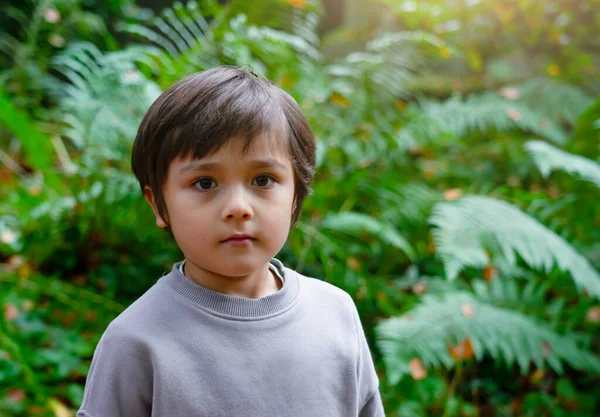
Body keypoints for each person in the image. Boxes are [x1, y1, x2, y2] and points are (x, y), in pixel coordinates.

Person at [76, 66, 385, 417]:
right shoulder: (135, 342)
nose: (238, 208)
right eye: (205, 183)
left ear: (296, 196)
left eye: (263, 179)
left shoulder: (336, 314)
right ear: (158, 204)